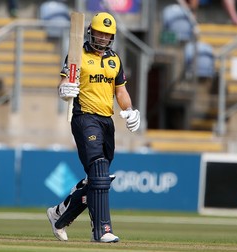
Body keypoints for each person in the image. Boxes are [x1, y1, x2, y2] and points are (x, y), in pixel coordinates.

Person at [46, 12, 140, 243]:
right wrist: (63, 90)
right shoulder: (77, 55)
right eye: (99, 32)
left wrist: (129, 110)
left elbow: (120, 91)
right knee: (98, 169)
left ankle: (59, 214)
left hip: (106, 121)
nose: (102, 38)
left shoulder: (114, 59)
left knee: (98, 178)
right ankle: (102, 230)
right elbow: (64, 82)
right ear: (90, 31)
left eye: (107, 35)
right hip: (84, 117)